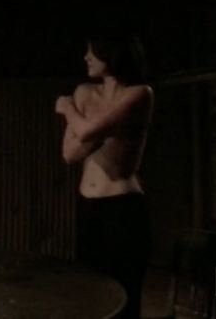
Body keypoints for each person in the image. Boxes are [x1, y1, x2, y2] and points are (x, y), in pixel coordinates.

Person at [55, 34, 154, 319]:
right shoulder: (84, 92)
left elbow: (85, 132)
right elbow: (70, 154)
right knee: (91, 293)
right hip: (88, 206)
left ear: (112, 53)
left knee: (125, 294)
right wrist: (101, 132)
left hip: (122, 206)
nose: (86, 57)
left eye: (93, 52)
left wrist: (67, 109)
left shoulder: (140, 93)